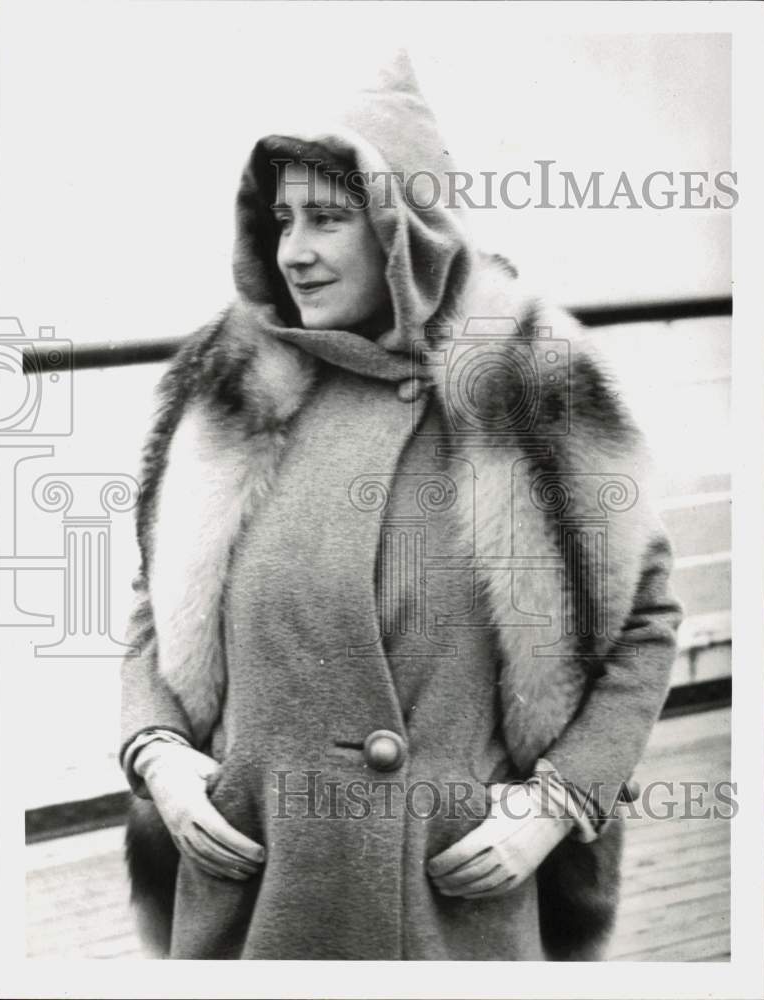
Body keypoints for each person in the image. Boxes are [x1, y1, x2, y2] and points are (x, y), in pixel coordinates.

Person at [119, 51, 683, 961]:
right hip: (251, 891)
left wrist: (556, 804)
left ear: (405, 226)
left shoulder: (529, 384)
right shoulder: (223, 389)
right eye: (281, 219)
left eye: (328, 219)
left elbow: (644, 623)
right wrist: (159, 759)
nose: (292, 250)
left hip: (452, 897)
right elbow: (156, 605)